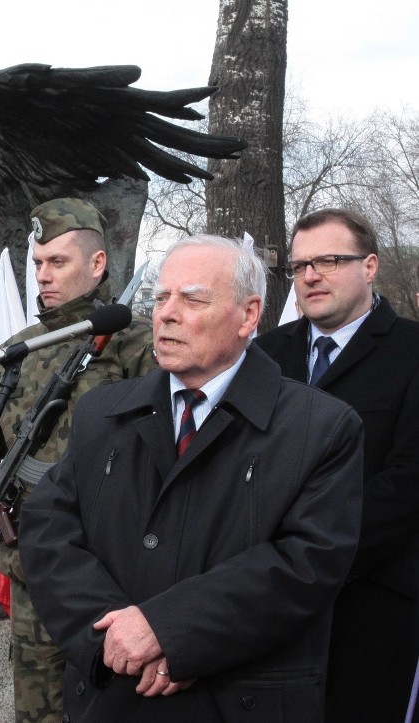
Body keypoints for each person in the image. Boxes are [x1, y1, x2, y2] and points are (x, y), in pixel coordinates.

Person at [19, 235, 364, 723]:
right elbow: (49, 527)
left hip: (236, 702)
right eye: (161, 298)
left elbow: (306, 564)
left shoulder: (321, 427)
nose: (166, 313)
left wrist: (168, 630)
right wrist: (113, 639)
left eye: (193, 299)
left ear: (248, 316)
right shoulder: (103, 410)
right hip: (110, 697)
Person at [0, 197, 156, 723]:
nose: (43, 275)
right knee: (38, 709)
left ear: (98, 264)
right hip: (34, 567)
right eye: (38, 263)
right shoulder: (18, 351)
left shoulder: (139, 346)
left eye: (57, 262)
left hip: (113, 569)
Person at [255, 208, 419, 723]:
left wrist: (315, 550)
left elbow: (409, 480)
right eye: (300, 265)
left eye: (329, 260)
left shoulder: (412, 351)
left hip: (373, 601)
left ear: (369, 266)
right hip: (266, 599)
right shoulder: (262, 356)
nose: (310, 275)